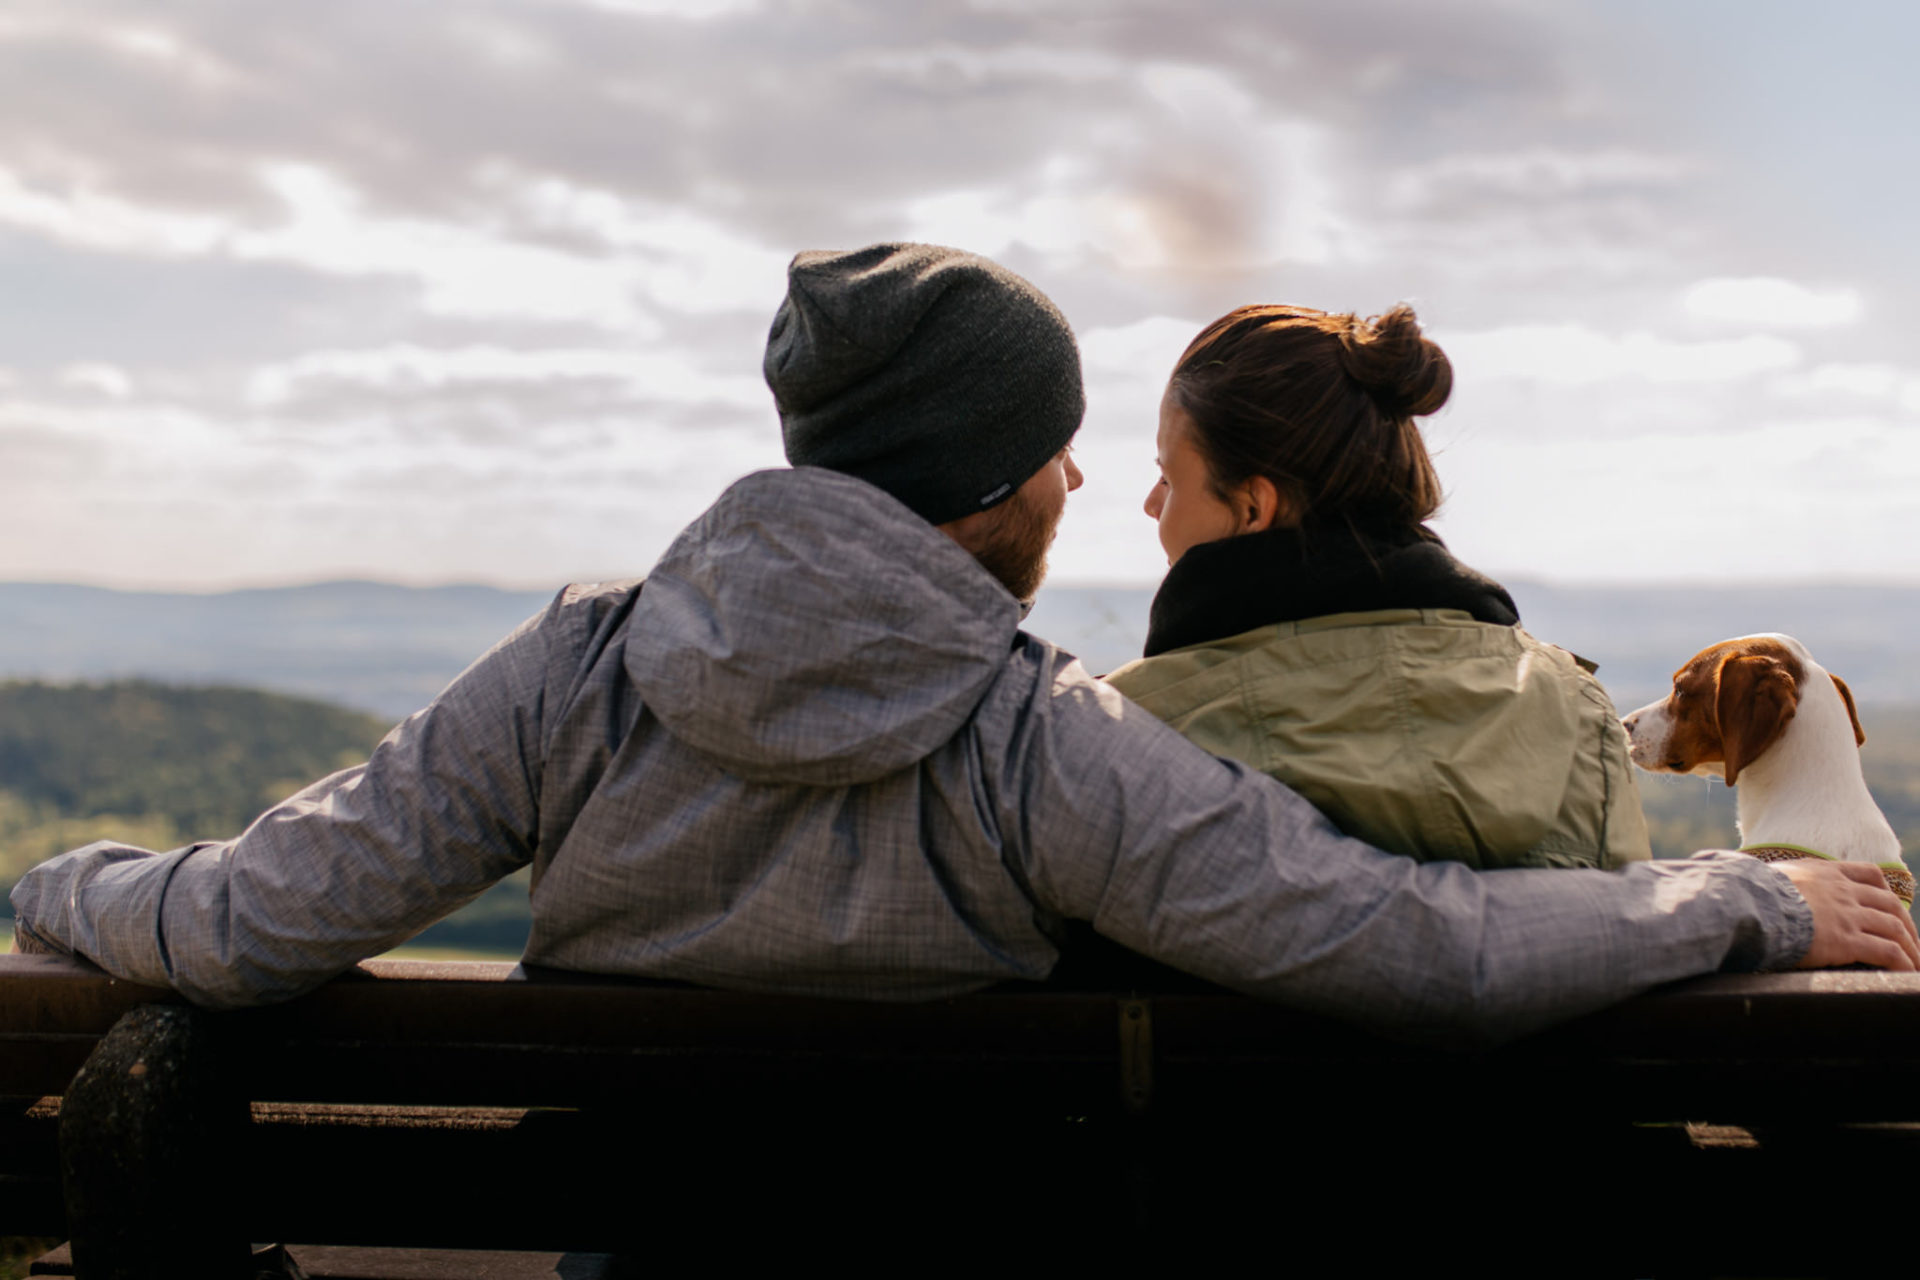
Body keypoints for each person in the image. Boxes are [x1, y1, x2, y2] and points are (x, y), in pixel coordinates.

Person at [9, 243, 1915, 1045]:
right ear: (992, 483)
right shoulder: (1043, 741)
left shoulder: (574, 670)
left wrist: (54, 885)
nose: (1084, 481)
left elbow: (246, 922)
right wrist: (1741, 905)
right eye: (1058, 450)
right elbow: (1422, 947)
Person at [1106, 304, 1648, 870]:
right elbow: (1631, 918)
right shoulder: (1577, 711)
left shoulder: (1124, 734)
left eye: (1167, 478)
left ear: (1251, 507)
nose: (1151, 504)